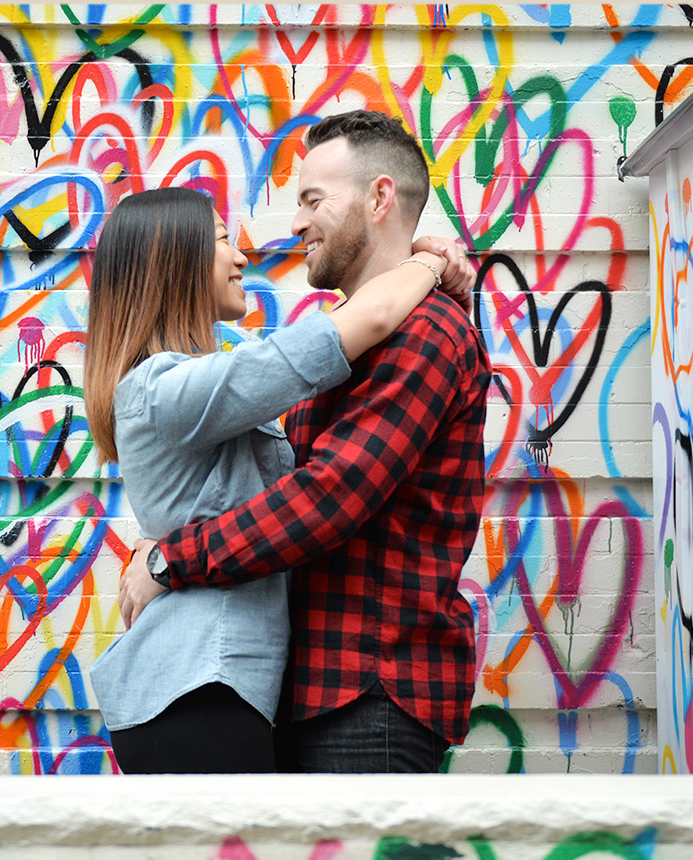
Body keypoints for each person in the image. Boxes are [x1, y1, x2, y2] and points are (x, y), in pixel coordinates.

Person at [120, 110, 493, 774]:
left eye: (312, 199)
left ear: (379, 198)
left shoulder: (425, 333)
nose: (293, 224)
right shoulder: (346, 346)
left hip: (370, 691)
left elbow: (327, 498)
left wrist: (169, 559)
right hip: (312, 689)